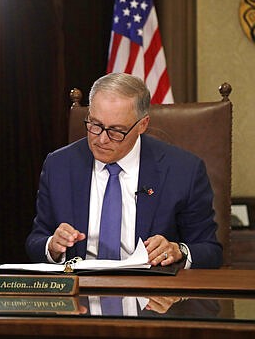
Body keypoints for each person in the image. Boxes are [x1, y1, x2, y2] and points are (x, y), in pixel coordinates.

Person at [25, 72, 222, 269]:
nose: (101, 139)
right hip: (81, 289)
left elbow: (210, 251)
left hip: (151, 292)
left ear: (142, 125)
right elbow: (36, 241)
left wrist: (177, 251)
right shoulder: (59, 165)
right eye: (95, 125)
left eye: (116, 131)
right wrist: (52, 246)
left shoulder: (183, 170)